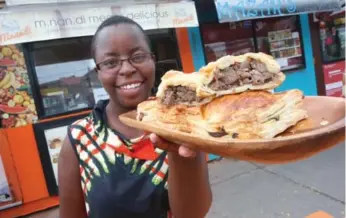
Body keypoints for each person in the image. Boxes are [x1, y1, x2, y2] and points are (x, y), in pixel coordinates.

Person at [58, 15, 212, 218]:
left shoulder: (184, 125)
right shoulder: (79, 139)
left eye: (138, 56)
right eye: (111, 62)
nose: (127, 69)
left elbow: (193, 214)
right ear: (98, 73)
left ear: (152, 60)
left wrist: (179, 149)